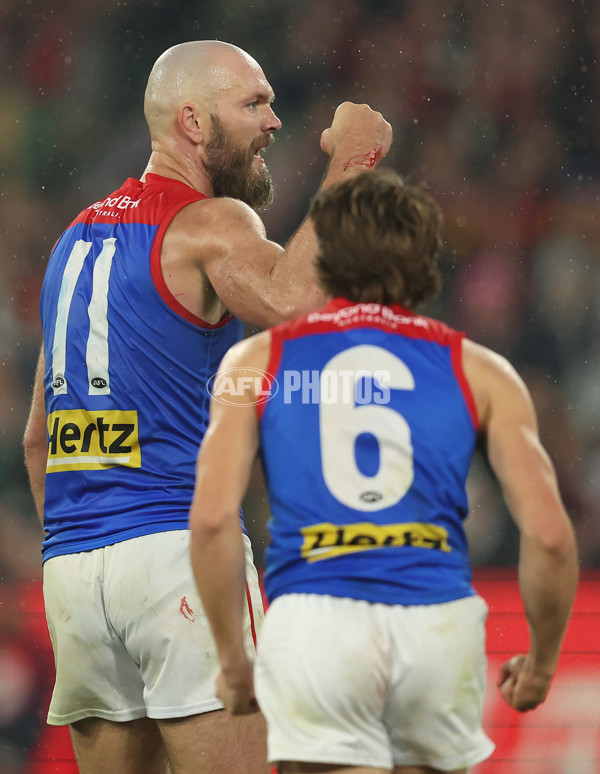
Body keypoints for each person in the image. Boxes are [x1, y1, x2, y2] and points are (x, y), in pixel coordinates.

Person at [22, 39, 393, 774]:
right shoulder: (209, 222)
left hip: (73, 569)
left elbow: (39, 440)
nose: (275, 121)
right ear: (193, 121)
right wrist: (352, 162)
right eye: (254, 103)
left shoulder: (74, 241)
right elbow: (297, 302)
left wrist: (94, 549)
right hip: (178, 557)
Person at [189, 168, 579, 774]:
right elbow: (551, 537)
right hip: (434, 624)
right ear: (424, 261)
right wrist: (543, 664)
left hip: (316, 622)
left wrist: (234, 660)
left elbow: (212, 519)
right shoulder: (482, 371)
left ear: (324, 259)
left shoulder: (256, 361)